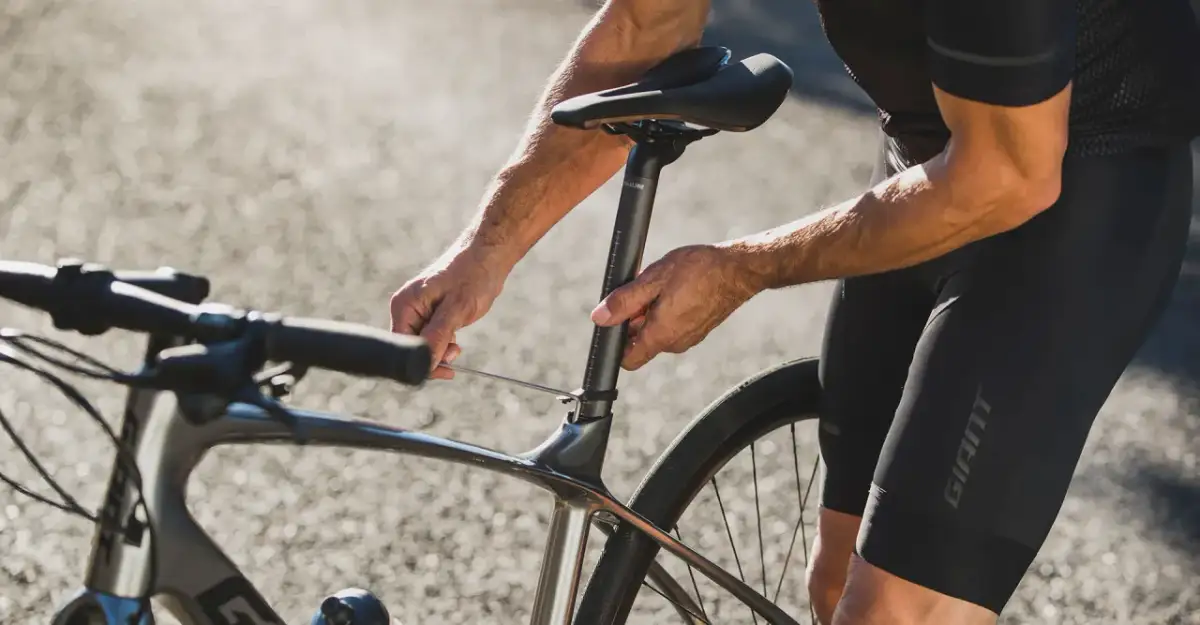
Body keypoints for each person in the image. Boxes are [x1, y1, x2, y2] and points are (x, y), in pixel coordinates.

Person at [389, 0, 1200, 622]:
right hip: (926, 162)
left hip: (1073, 198)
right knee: (838, 583)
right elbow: (646, 27)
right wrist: (484, 249)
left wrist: (743, 269)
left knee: (891, 610)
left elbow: (1007, 177)